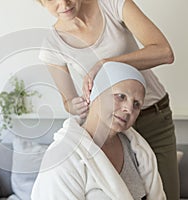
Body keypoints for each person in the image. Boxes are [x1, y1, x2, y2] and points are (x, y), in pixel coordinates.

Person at [36, 0, 179, 198]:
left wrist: (107, 63)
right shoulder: (52, 46)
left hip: (153, 115)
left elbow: (164, 52)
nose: (64, 3)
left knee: (167, 193)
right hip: (110, 128)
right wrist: (76, 105)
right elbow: (69, 102)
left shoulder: (112, 4)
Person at [31, 61, 166, 200]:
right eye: (121, 96)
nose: (129, 108)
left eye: (136, 104)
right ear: (95, 93)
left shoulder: (137, 151)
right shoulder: (62, 157)